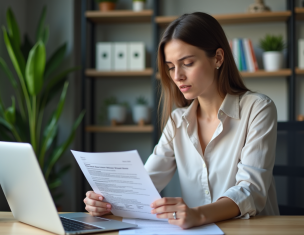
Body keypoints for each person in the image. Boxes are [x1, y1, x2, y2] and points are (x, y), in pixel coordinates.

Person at [83, 12, 280, 229]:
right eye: (170, 67)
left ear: (218, 58)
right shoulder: (178, 120)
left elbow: (250, 190)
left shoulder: (258, 108)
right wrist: (105, 202)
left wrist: (198, 215)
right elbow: (145, 183)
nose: (177, 76)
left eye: (187, 63)